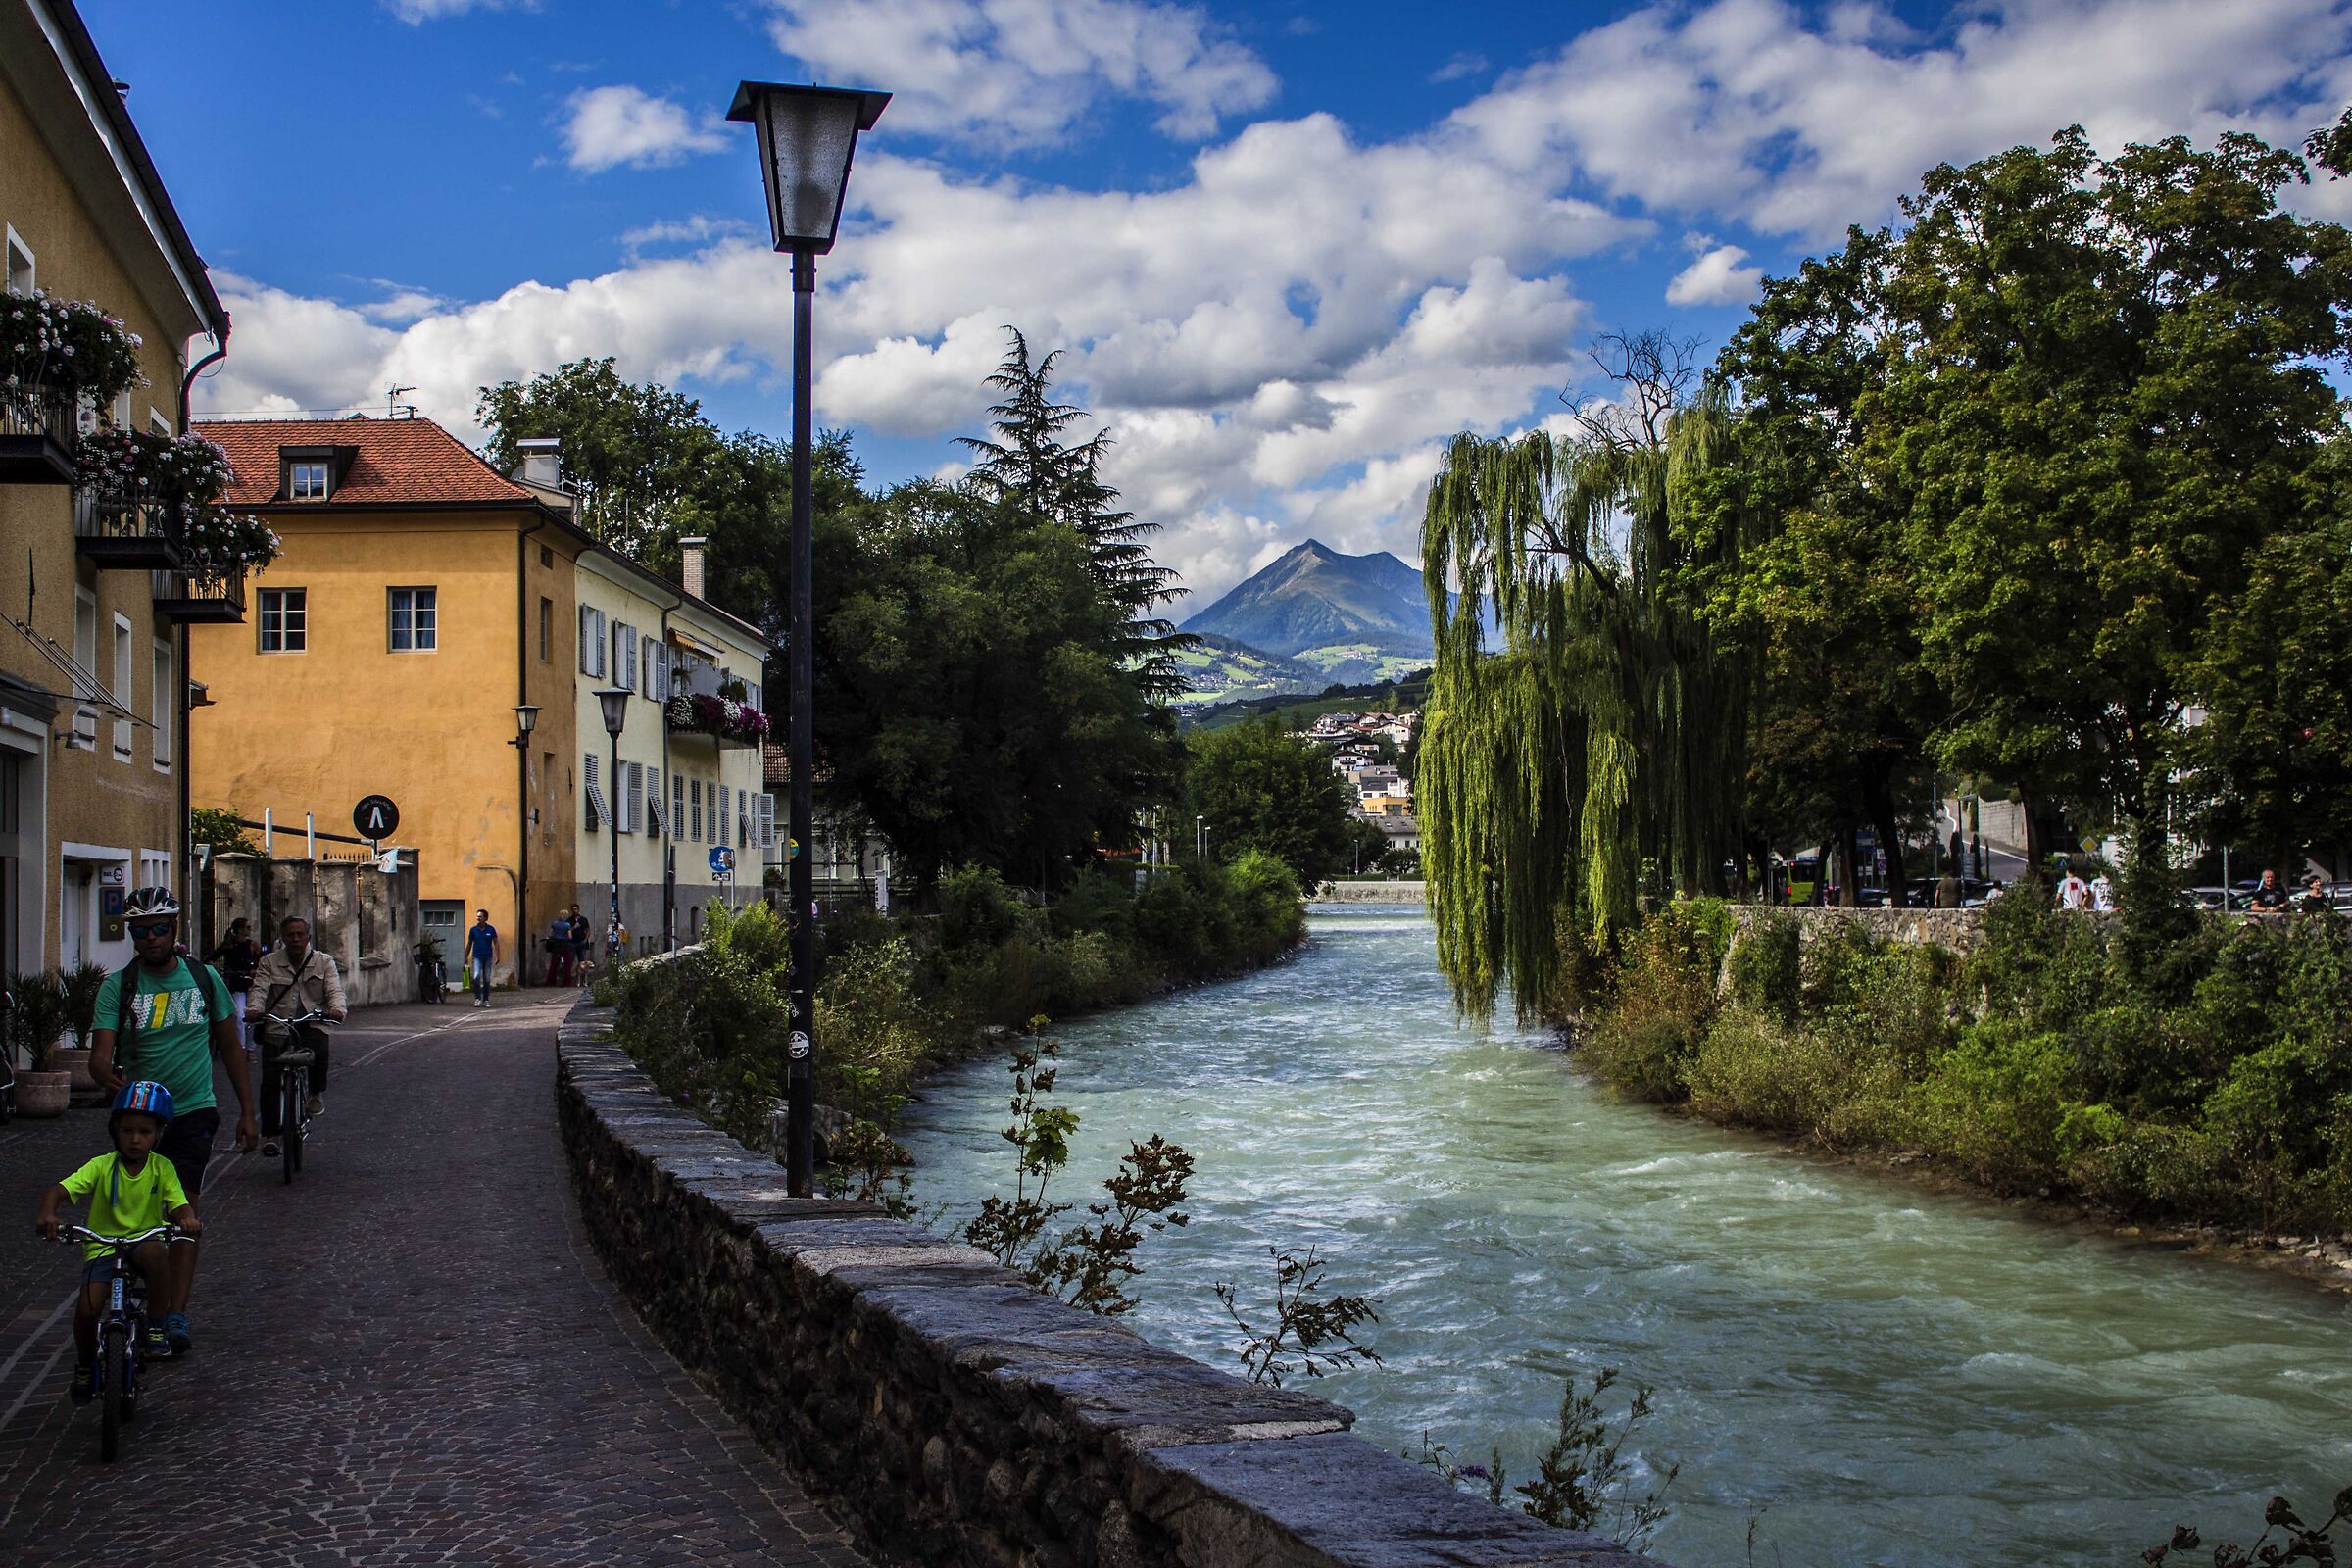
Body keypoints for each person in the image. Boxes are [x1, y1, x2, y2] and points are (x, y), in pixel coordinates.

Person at [88, 887, 255, 1357]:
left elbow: (230, 1046)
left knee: (184, 1215)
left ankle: (173, 1313)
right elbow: (100, 1060)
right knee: (131, 1211)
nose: (150, 938)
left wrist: (247, 1111)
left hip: (193, 1112)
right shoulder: (117, 988)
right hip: (139, 1118)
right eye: (140, 930)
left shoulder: (203, 979)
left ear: (175, 929)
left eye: (159, 927)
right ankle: (133, 1286)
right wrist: (117, 1085)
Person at [33, 1081, 203, 1389]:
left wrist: (188, 1220)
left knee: (157, 1254)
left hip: (143, 1242)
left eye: (144, 1132)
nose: (135, 1139)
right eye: (127, 1131)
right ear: (115, 1132)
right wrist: (49, 1213)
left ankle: (156, 1325)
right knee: (87, 1312)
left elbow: (178, 1204)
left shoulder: (162, 1169)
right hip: (102, 1247)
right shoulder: (101, 1167)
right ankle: (85, 1363)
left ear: (157, 1135)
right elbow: (60, 1189)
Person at [248, 914, 349, 1155]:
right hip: (278, 1024)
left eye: (299, 934)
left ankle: (315, 1092)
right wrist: (254, 1009)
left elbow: (334, 989)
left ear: (308, 937)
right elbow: (259, 989)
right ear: (283, 938)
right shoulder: (269, 962)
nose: (295, 939)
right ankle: (271, 1135)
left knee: (320, 1049)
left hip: (310, 1022)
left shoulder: (323, 962)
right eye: (290, 935)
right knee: (270, 1079)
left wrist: (337, 1009)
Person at [208, 916, 263, 1058]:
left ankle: (250, 1049)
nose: (250, 930)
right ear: (239, 930)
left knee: (253, 1016)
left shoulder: (252, 945)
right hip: (236, 984)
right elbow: (210, 959)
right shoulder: (228, 946)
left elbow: (262, 961)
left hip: (251, 984)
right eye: (247, 927)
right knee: (239, 1016)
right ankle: (240, 1048)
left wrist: (255, 970)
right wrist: (217, 968)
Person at [466, 908, 500, 1006]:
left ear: (485, 918)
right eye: (477, 916)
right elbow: (469, 944)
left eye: (480, 917)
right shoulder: (473, 930)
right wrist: (466, 956)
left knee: (487, 978)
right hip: (477, 957)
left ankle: (486, 999)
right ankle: (477, 998)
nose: (478, 918)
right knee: (476, 977)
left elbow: (496, 942)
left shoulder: (491, 929)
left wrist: (498, 955)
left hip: (488, 957)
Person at [566, 905, 591, 983]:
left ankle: (583, 981)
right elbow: (567, 930)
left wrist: (586, 939)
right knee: (570, 960)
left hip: (581, 942)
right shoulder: (569, 920)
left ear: (579, 910)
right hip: (572, 943)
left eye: (576, 909)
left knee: (582, 962)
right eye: (573, 909)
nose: (575, 911)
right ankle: (568, 980)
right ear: (571, 910)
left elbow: (587, 930)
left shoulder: (583, 919)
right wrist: (574, 927)